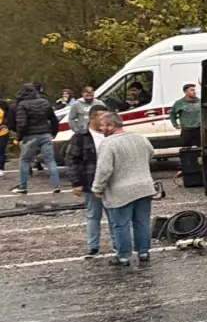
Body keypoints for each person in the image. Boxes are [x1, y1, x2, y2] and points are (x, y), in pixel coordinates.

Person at [92, 112, 157, 266]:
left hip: (120, 190)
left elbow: (104, 170)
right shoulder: (139, 137)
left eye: (103, 125)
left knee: (121, 224)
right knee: (142, 222)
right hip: (144, 186)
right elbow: (151, 153)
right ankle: (143, 252)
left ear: (111, 126)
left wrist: (97, 188)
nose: (101, 128)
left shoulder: (108, 144)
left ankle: (124, 256)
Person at [66, 105, 111, 258]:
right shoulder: (80, 137)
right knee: (93, 215)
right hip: (91, 181)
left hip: (112, 182)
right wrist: (76, 182)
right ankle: (93, 246)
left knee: (115, 216)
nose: (106, 120)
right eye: (102, 117)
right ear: (92, 118)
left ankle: (120, 244)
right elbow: (72, 160)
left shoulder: (111, 134)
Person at [11, 83, 61, 195]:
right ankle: (56, 185)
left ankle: (23, 187)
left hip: (30, 136)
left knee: (24, 161)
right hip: (45, 134)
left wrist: (18, 138)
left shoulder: (22, 104)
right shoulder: (44, 102)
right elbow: (54, 119)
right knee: (50, 160)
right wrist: (54, 133)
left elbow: (22, 124)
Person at [171, 84, 203, 148]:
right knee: (187, 150)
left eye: (195, 90)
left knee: (202, 148)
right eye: (192, 90)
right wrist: (175, 124)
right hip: (187, 131)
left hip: (199, 129)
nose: (194, 92)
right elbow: (172, 114)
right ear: (186, 92)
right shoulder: (179, 103)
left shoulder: (200, 101)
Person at [0, 97, 9, 178]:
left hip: (3, 132)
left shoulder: (3, 104)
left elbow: (8, 116)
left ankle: (1, 168)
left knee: (1, 150)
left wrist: (5, 124)